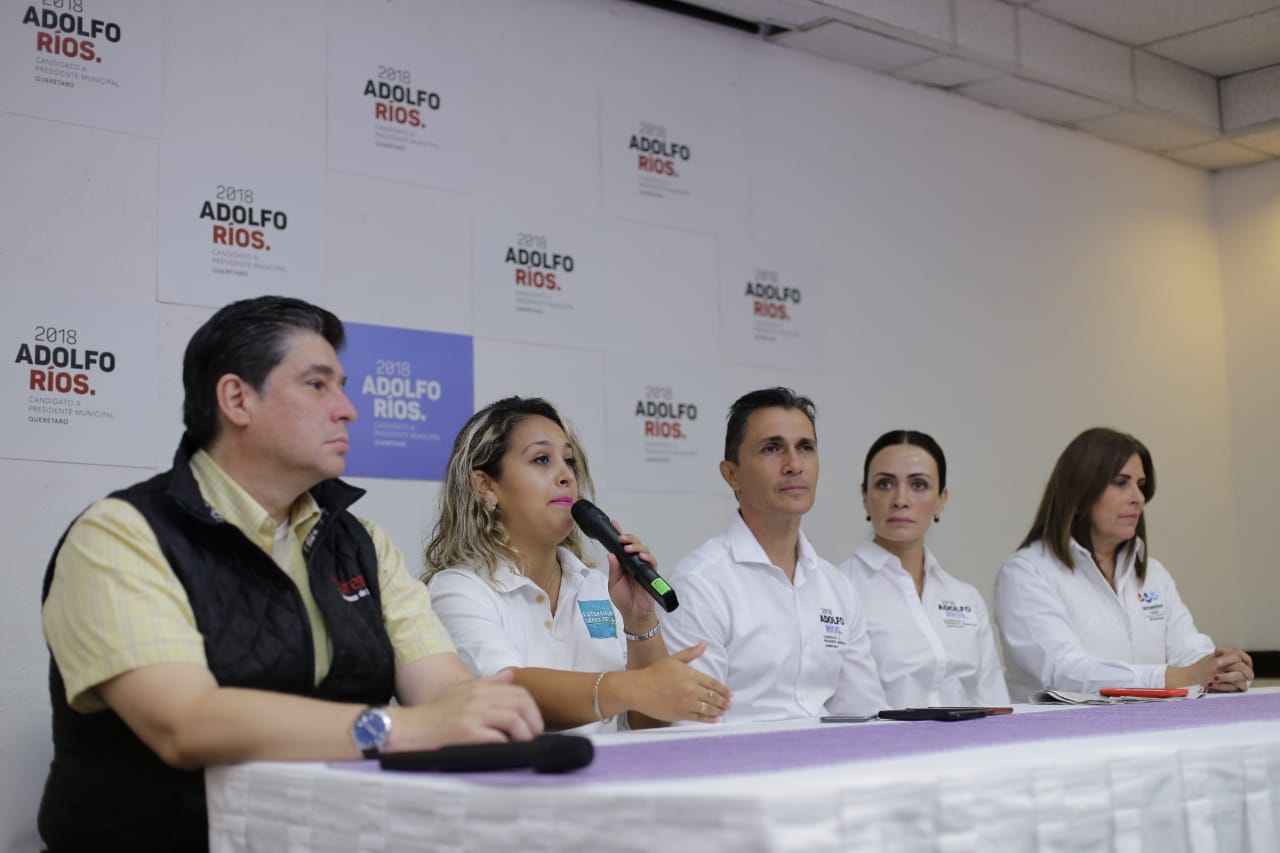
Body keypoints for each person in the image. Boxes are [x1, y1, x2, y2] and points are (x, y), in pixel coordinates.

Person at [38, 297, 542, 852]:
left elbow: (441, 688)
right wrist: (401, 728)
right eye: (317, 385)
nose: (347, 409)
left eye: (343, 387)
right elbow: (186, 723)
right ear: (237, 399)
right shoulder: (120, 534)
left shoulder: (362, 542)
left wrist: (480, 710)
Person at [424, 396, 731, 731]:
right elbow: (506, 694)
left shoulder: (598, 587)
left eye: (569, 461)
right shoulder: (458, 590)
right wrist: (632, 688)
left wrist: (640, 620)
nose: (566, 476)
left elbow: (650, 725)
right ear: (486, 486)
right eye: (541, 459)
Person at [659, 388, 885, 722]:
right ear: (732, 474)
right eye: (772, 448)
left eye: (805, 448)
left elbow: (865, 714)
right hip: (737, 755)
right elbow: (694, 725)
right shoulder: (700, 583)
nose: (794, 465)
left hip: (831, 753)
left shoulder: (835, 585)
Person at [994, 427, 1253, 701]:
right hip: (1060, 727)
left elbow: (1188, 650)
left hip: (1154, 723)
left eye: (1141, 485)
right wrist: (1173, 678)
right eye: (1120, 482)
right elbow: (1064, 671)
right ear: (1080, 490)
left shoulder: (1154, 574)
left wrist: (1221, 668)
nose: (1138, 498)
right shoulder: (1026, 573)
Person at [841, 430, 1009, 708]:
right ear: (865, 497)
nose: (901, 500)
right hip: (882, 736)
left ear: (941, 499)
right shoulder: (840, 590)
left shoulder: (965, 598)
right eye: (885, 484)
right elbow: (852, 706)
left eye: (918, 485)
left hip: (973, 736)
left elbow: (993, 704)